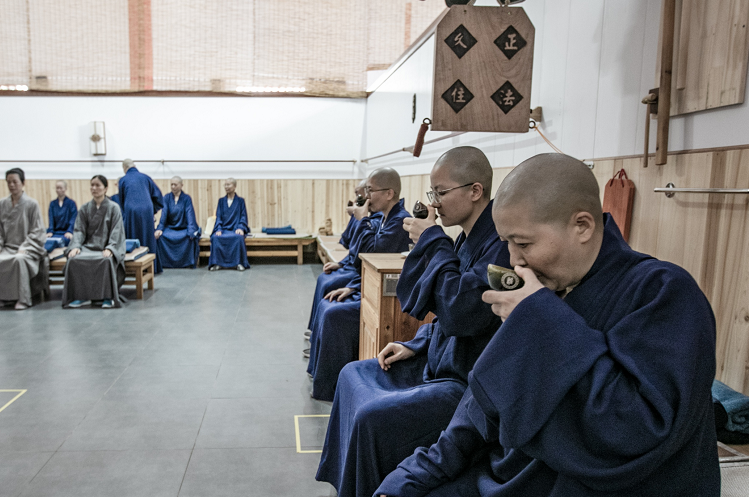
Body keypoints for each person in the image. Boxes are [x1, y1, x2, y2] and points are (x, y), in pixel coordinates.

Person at [376, 154, 720, 497]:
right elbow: (483, 405)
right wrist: (421, 470)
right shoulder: (546, 290)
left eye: (523, 244)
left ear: (582, 226)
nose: (513, 260)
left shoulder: (663, 291)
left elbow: (638, 428)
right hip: (519, 471)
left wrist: (540, 321)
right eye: (506, 243)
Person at [317, 147, 510, 497]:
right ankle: (345, 484)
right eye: (431, 193)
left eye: (440, 192)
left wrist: (433, 240)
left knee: (371, 417)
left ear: (475, 191)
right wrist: (414, 344)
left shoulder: (500, 246)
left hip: (463, 381)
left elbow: (463, 312)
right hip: (436, 357)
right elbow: (440, 310)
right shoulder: (467, 237)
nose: (433, 203)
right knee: (350, 374)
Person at [306, 167, 411, 401]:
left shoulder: (400, 221)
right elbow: (361, 259)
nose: (367, 196)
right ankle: (319, 373)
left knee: (334, 314)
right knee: (328, 302)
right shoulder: (385, 218)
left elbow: (371, 253)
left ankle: (331, 387)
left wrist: (363, 220)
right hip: (368, 286)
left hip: (386, 297)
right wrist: (353, 286)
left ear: (389, 193)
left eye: (371, 191)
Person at [0, 168, 47, 311]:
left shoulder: (31, 204)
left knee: (18, 260)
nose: (12, 185)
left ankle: (23, 299)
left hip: (27, 249)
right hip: (6, 248)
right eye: (9, 182)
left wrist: (26, 247)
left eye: (15, 182)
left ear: (23, 183)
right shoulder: (2, 203)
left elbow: (38, 231)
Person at [63, 175, 126, 309]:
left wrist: (111, 248)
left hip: (105, 247)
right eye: (92, 185)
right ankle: (80, 296)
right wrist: (75, 245)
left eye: (98, 185)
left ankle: (107, 297)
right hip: (88, 247)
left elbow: (117, 231)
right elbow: (79, 230)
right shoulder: (85, 208)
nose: (94, 188)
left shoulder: (114, 208)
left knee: (106, 260)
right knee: (74, 259)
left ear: (105, 188)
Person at [117, 159, 164, 272]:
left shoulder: (123, 180)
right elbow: (158, 196)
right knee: (148, 236)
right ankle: (152, 267)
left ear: (124, 168)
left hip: (131, 209)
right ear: (135, 166)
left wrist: (125, 212)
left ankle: (134, 268)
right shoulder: (146, 177)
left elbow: (121, 199)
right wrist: (153, 210)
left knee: (132, 236)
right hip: (147, 209)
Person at [155, 176, 201, 269]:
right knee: (161, 237)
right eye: (171, 184)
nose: (173, 186)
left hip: (183, 228)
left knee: (189, 237)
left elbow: (190, 215)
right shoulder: (166, 198)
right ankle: (164, 263)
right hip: (170, 227)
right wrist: (160, 228)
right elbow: (164, 215)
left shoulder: (186, 198)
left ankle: (187, 262)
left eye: (175, 184)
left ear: (181, 185)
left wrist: (191, 229)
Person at [208, 178, 250, 271]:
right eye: (225, 185)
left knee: (238, 238)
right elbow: (218, 217)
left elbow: (243, 216)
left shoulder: (240, 201)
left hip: (235, 228)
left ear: (234, 186)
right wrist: (218, 229)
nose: (226, 187)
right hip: (223, 229)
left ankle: (238, 263)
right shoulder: (221, 201)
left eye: (229, 184)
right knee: (215, 238)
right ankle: (217, 263)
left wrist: (240, 228)